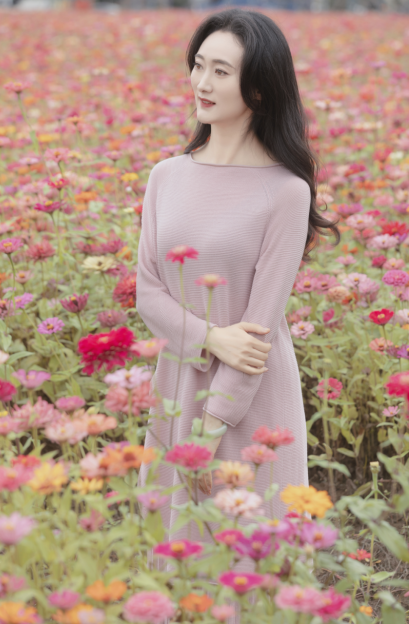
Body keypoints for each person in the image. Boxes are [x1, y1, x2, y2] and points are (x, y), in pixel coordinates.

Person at [136, 8, 340, 560]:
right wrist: (209, 337)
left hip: (248, 402)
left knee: (252, 565)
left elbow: (257, 333)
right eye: (198, 65)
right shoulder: (166, 176)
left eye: (221, 71)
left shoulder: (286, 191)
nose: (202, 83)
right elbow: (147, 292)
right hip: (177, 385)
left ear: (259, 88)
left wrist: (209, 431)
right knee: (174, 563)